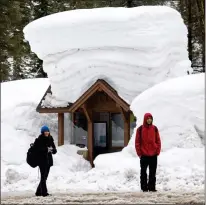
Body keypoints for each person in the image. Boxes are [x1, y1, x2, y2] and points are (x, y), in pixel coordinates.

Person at [135, 113, 161, 192]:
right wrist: (140, 153)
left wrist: (157, 150)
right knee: (143, 172)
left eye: (150, 118)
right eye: (148, 118)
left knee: (152, 172)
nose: (149, 120)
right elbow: (137, 142)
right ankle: (144, 188)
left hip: (153, 155)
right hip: (144, 155)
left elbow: (158, 140)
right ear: (145, 119)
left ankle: (152, 187)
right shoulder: (140, 129)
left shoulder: (155, 128)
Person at [33, 125, 57, 197]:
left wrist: (53, 150)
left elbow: (54, 149)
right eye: (45, 131)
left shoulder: (50, 138)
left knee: (45, 177)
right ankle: (44, 193)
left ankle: (38, 191)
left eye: (47, 131)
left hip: (48, 161)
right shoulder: (39, 140)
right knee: (43, 177)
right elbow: (38, 149)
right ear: (42, 132)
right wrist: (46, 149)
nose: (46, 133)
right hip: (42, 161)